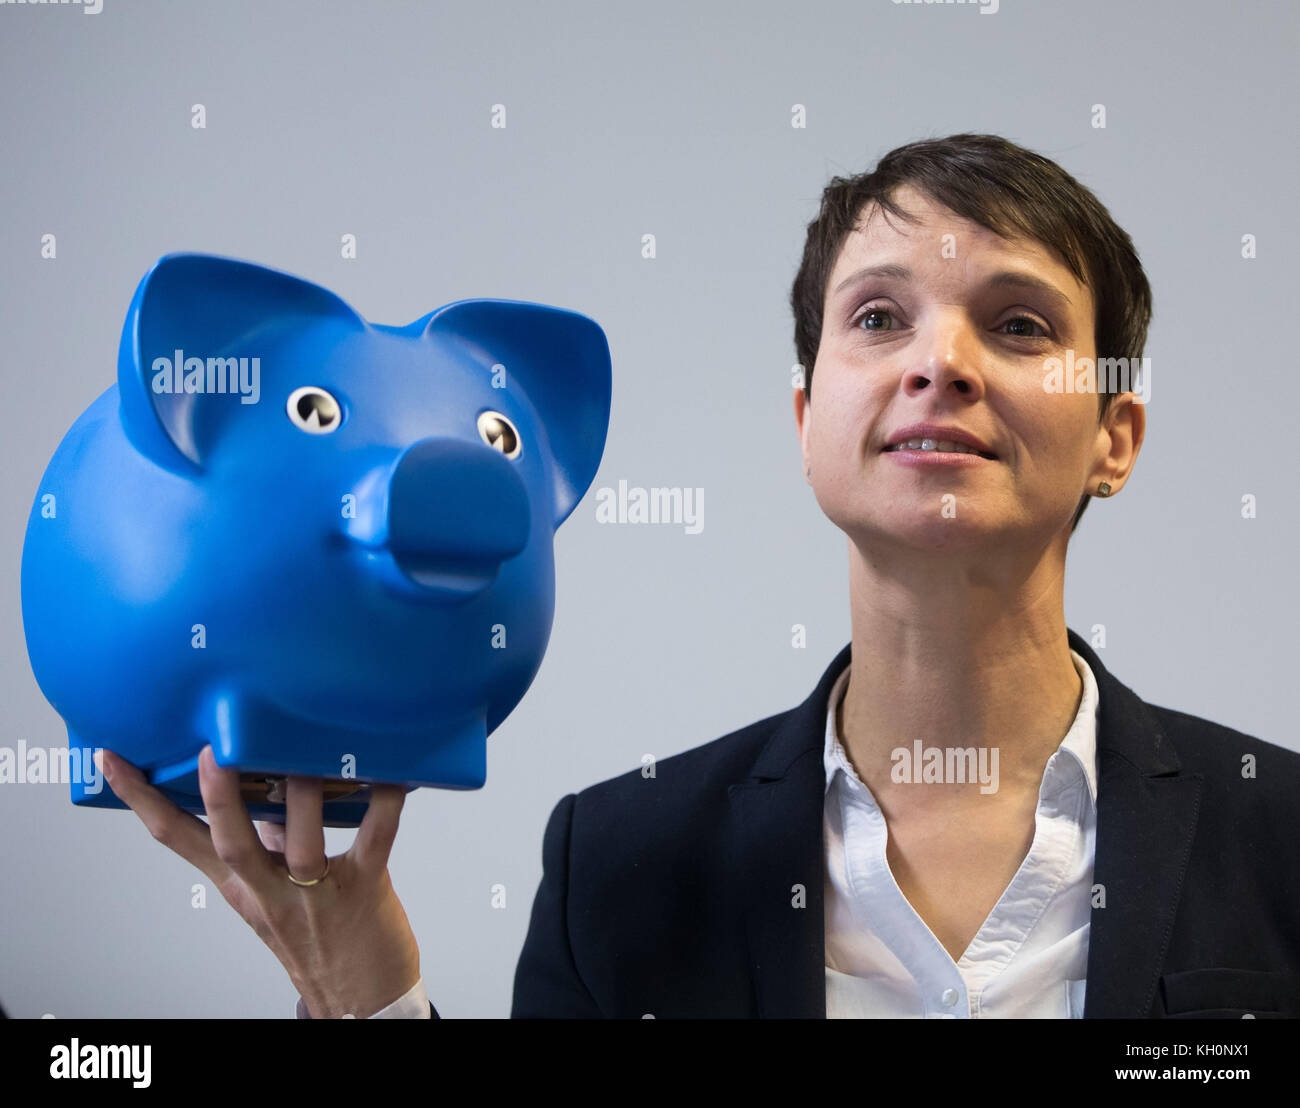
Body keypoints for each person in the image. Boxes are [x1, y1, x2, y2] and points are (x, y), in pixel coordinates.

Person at [98, 133, 1300, 1018]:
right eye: (878, 318)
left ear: (1115, 437)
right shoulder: (618, 863)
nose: (941, 361)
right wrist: (363, 983)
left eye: (1020, 325)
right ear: (807, 416)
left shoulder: (1281, 835)